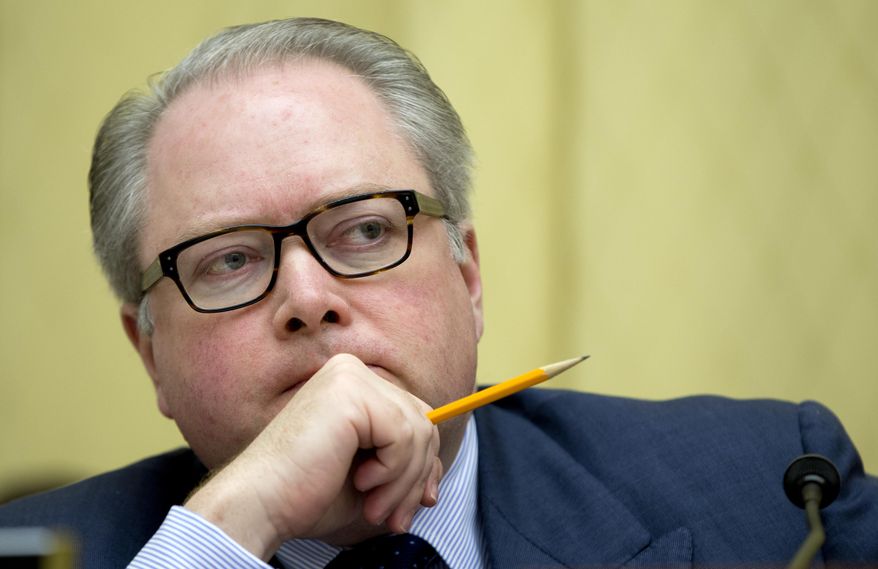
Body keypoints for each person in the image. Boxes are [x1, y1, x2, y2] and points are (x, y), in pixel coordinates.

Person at [1, 17, 876, 569]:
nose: (307, 296)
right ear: (150, 351)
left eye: (366, 230)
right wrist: (230, 528)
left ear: (469, 275)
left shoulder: (780, 488)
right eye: (228, 261)